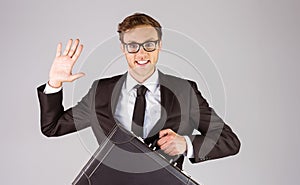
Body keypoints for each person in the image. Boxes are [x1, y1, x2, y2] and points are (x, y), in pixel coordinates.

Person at [37, 13, 240, 170]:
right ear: (123, 49)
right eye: (133, 46)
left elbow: (229, 141)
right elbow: (52, 127)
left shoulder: (184, 91)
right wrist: (54, 83)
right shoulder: (101, 91)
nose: (141, 53)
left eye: (149, 45)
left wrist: (186, 144)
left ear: (159, 45)